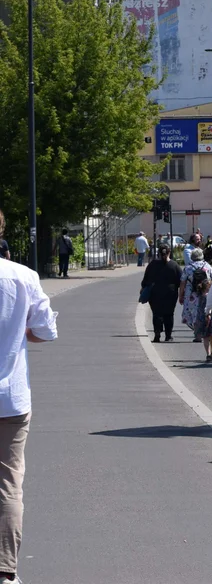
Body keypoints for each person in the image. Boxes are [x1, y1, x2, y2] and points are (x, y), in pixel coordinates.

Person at [0, 209, 58, 583]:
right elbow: (45, 331)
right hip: (11, 396)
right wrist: (19, 332)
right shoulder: (22, 276)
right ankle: (5, 571)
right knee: (7, 483)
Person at [141, 244, 183, 343]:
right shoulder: (174, 265)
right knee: (169, 314)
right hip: (170, 293)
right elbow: (181, 280)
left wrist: (143, 287)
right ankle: (168, 336)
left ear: (158, 253)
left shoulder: (152, 264)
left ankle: (157, 334)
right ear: (169, 253)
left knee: (157, 314)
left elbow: (145, 279)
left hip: (155, 292)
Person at [179, 248, 212, 343]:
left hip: (191, 294)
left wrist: (181, 295)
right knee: (205, 312)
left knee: (193, 313)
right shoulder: (207, 266)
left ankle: (197, 335)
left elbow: (182, 282)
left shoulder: (188, 267)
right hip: (204, 293)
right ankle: (206, 332)